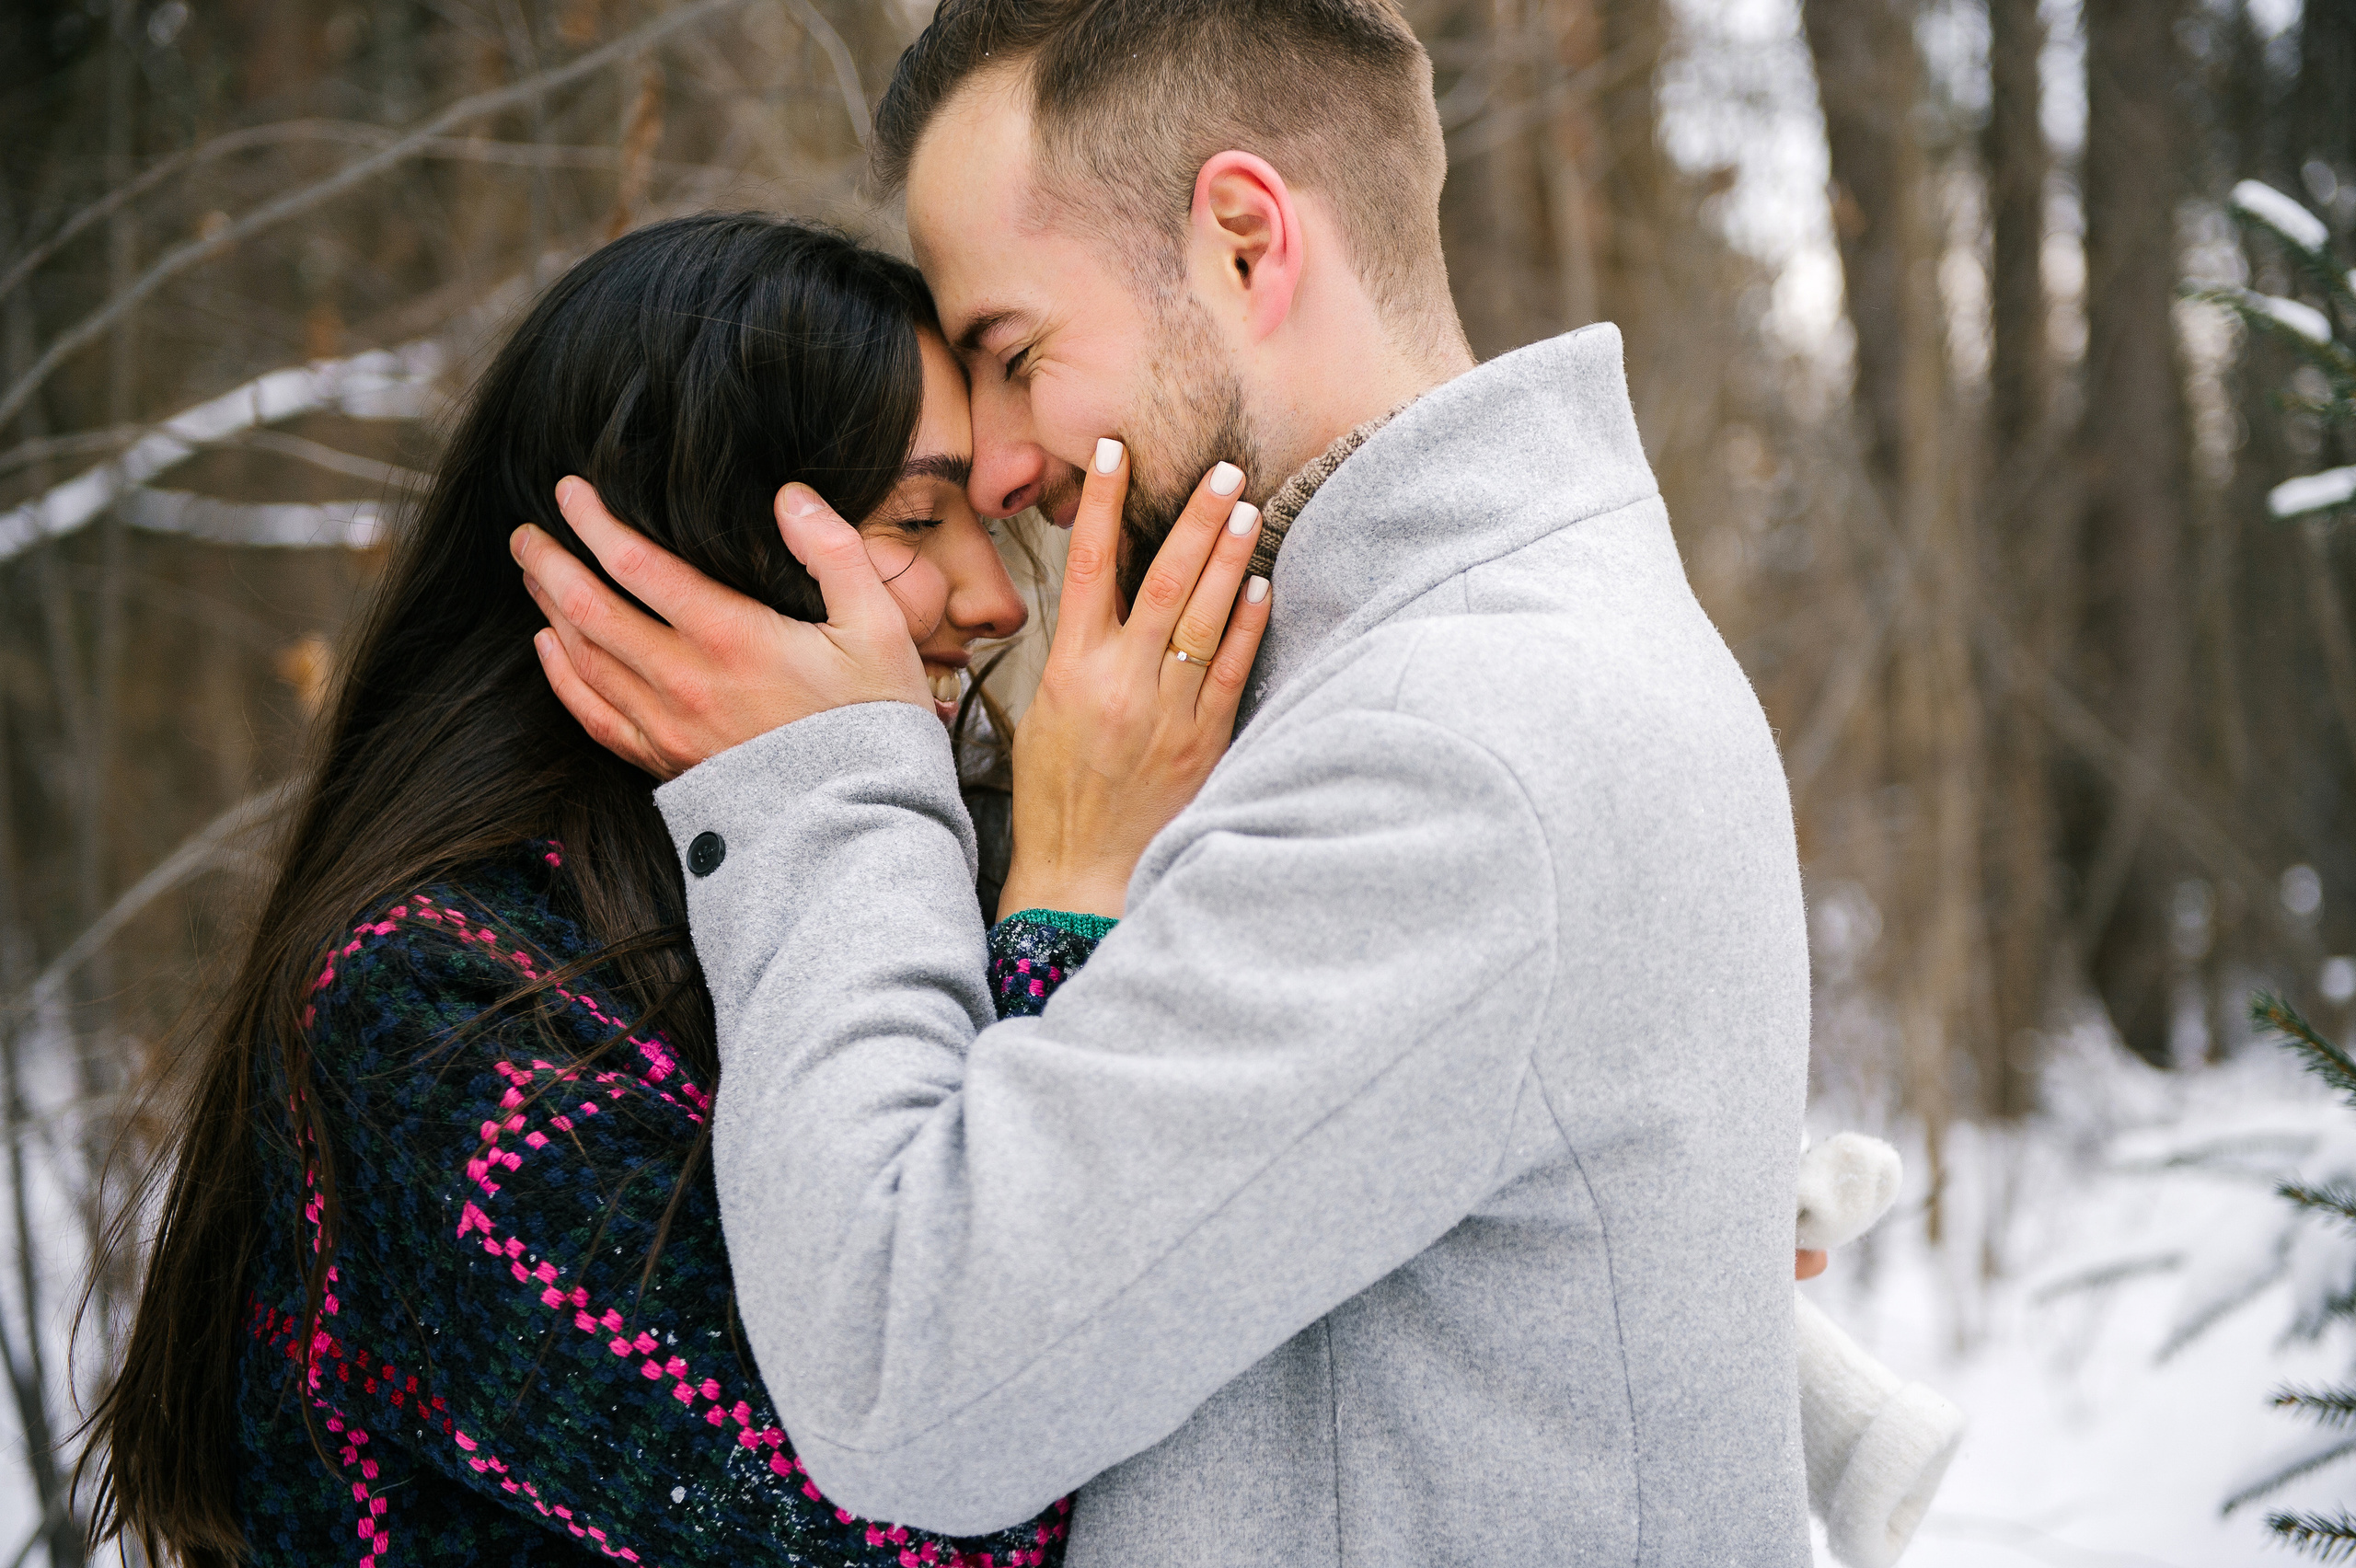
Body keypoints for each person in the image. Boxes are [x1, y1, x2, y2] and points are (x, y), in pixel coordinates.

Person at [510, 0, 1816, 1563]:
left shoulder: (1442, 752)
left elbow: (903, 1383)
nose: (996, 466)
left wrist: (815, 788)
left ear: (1245, 244)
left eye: (1013, 351)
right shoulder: (1469, 653)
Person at [78, 214, 1163, 1568]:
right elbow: (937, 1528)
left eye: (986, 527)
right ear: (681, 554)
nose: (997, 600)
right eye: (911, 521)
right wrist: (1068, 908)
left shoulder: (922, 862)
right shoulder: (429, 1011)